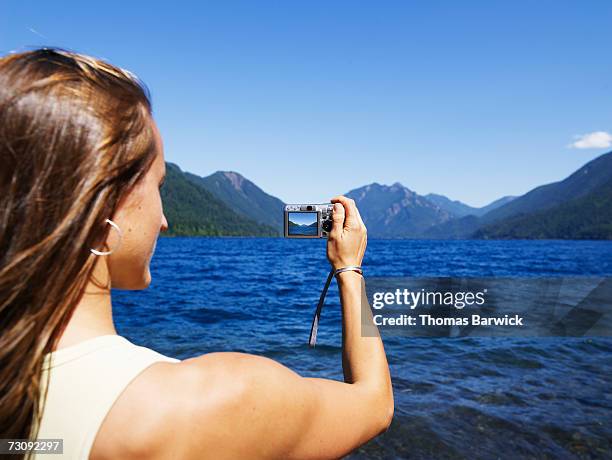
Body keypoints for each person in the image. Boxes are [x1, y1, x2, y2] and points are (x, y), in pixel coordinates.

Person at [0, 48, 394, 460]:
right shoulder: (206, 405)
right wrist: (350, 270)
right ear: (106, 202)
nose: (165, 220)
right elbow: (374, 404)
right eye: (159, 185)